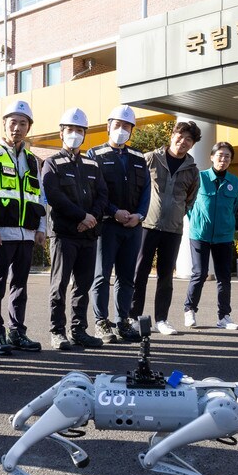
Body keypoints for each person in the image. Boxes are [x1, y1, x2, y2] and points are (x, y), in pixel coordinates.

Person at [40, 108, 107, 350]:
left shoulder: (92, 163)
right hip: (64, 234)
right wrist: (82, 216)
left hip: (88, 234)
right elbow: (54, 197)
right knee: (59, 285)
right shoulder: (52, 163)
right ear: (61, 133)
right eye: (70, 130)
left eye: (80, 130)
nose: (75, 134)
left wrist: (92, 217)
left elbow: (102, 194)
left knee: (83, 285)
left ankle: (79, 330)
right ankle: (57, 331)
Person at [0, 100, 46, 355]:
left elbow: (39, 196)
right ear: (4, 124)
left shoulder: (33, 160)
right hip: (0, 233)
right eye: (13, 122)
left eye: (23, 123)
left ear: (29, 127)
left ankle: (17, 331)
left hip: (27, 235)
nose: (17, 128)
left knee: (20, 285)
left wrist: (41, 227)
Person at [87, 105, 150, 343]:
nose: (121, 130)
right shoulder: (95, 154)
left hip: (133, 226)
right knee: (101, 276)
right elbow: (95, 191)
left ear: (132, 130)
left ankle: (122, 321)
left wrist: (139, 215)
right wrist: (114, 212)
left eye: (126, 126)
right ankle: (101, 323)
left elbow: (146, 191)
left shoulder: (138, 157)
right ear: (108, 127)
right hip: (107, 226)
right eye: (117, 125)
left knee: (126, 277)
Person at [131, 121, 200, 335]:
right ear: (172, 136)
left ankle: (162, 319)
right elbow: (136, 188)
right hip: (147, 225)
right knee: (138, 273)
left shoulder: (192, 170)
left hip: (173, 229)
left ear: (192, 144)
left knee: (166, 276)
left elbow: (191, 198)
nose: (183, 141)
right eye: (180, 136)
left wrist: (178, 213)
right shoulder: (150, 158)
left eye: (189, 139)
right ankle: (134, 317)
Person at [185, 141, 238, 330]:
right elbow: (189, 204)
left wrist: (227, 224)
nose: (223, 159)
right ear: (211, 157)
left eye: (227, 156)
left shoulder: (235, 182)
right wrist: (197, 222)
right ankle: (189, 310)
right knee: (199, 273)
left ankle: (224, 316)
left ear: (230, 160)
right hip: (200, 234)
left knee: (224, 277)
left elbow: (233, 208)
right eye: (220, 155)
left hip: (224, 236)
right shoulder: (200, 177)